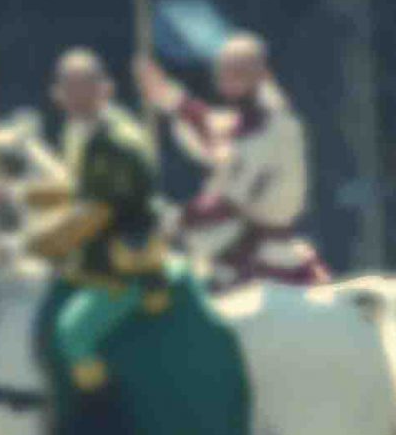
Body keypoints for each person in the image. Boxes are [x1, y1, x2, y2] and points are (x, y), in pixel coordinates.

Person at [22, 49, 172, 388]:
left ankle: (101, 407)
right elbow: (79, 188)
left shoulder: (114, 142)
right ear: (57, 93)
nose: (75, 96)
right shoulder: (78, 132)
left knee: (72, 332)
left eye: (84, 87)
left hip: (121, 264)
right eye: (68, 87)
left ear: (104, 89)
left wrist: (34, 245)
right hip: (89, 251)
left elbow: (95, 212)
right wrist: (25, 198)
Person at [134, 32, 330, 287]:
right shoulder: (247, 120)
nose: (228, 80)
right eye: (225, 72)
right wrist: (166, 95)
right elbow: (210, 126)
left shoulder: (274, 126)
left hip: (266, 256)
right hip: (233, 244)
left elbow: (230, 201)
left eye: (238, 72)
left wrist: (174, 219)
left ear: (261, 74)